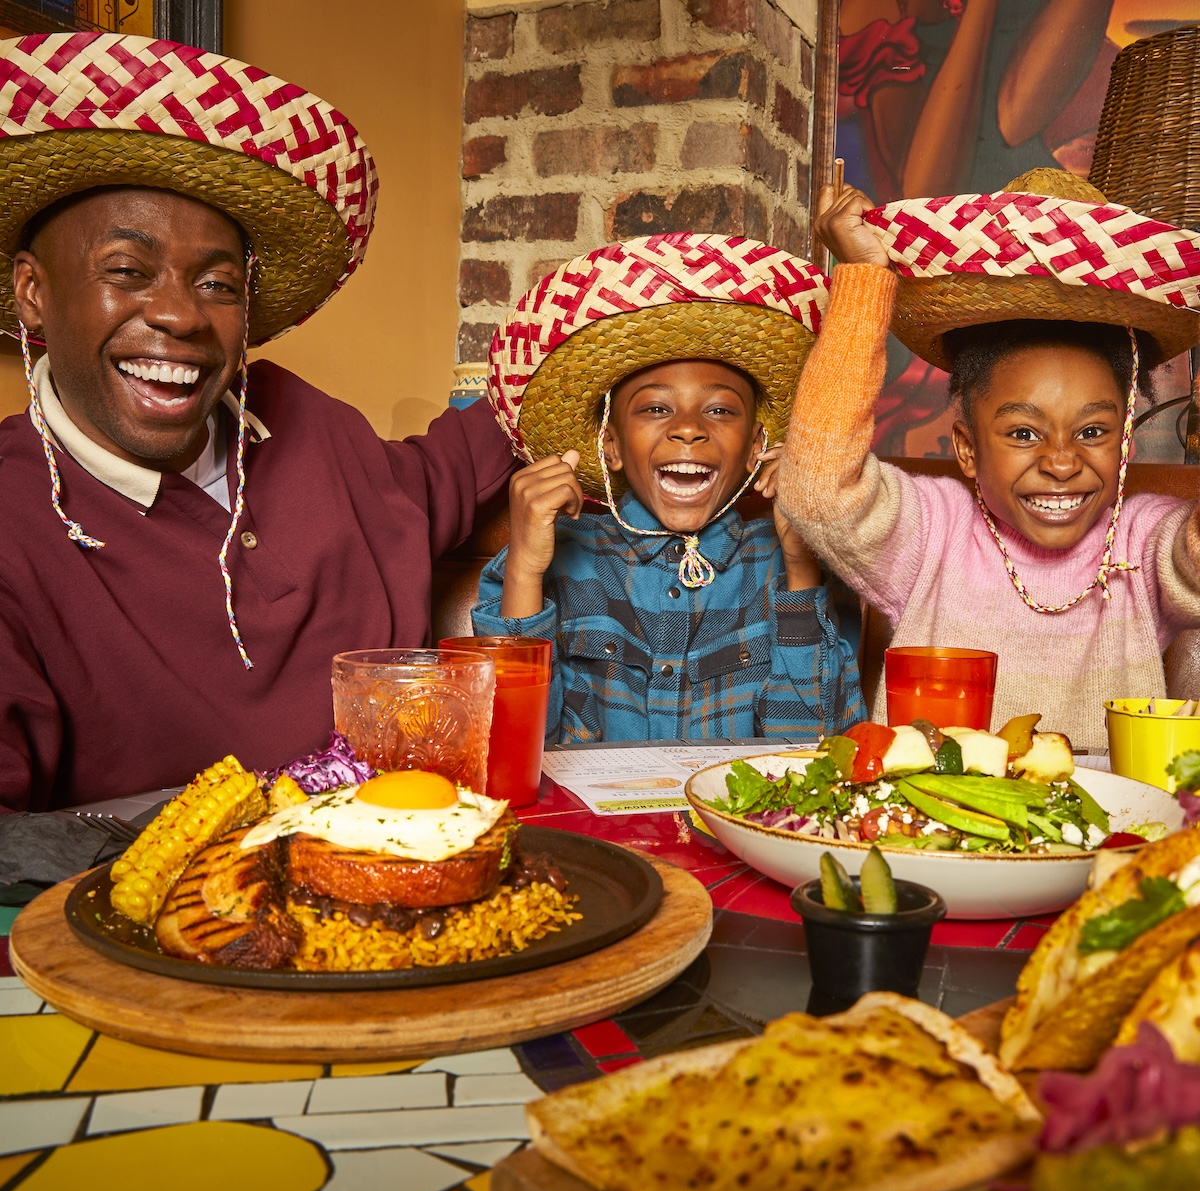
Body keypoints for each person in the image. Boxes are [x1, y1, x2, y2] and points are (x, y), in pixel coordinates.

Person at [0, 34, 516, 811]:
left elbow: (457, 458)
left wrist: (600, 375)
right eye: (127, 271)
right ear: (34, 292)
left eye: (216, 283)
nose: (179, 314)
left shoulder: (307, 425)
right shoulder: (11, 524)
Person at [776, 166, 1200, 750]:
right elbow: (817, 490)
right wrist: (863, 284)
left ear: (1125, 442)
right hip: (933, 831)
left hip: (1111, 833)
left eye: (1093, 430)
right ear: (967, 450)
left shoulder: (1145, 541)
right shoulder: (933, 532)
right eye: (1024, 434)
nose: (1060, 461)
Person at [472, 233, 866, 743]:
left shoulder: (786, 562)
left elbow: (810, 750)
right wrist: (525, 568)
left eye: (720, 410)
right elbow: (512, 744)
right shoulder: (560, 557)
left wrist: (800, 565)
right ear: (609, 447)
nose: (687, 428)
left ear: (755, 448)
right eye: (656, 409)